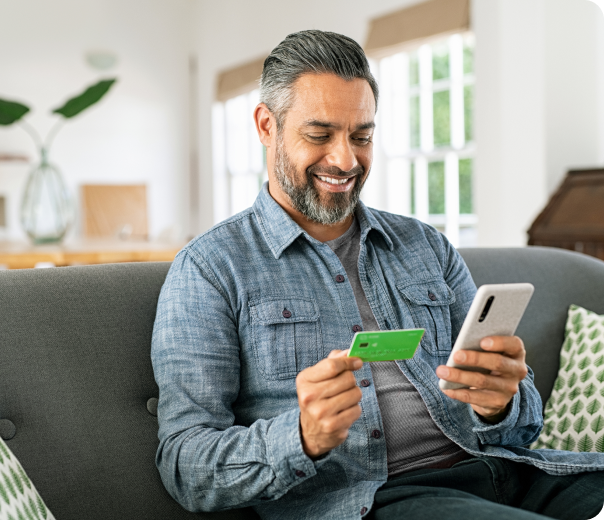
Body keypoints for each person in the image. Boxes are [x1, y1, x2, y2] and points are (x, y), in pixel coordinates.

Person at [151, 30, 604, 520]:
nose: (345, 160)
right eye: (319, 135)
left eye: (361, 136)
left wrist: (501, 404)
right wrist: (300, 437)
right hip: (375, 499)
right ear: (266, 125)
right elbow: (185, 467)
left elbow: (521, 426)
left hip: (507, 470)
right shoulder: (210, 268)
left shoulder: (425, 245)